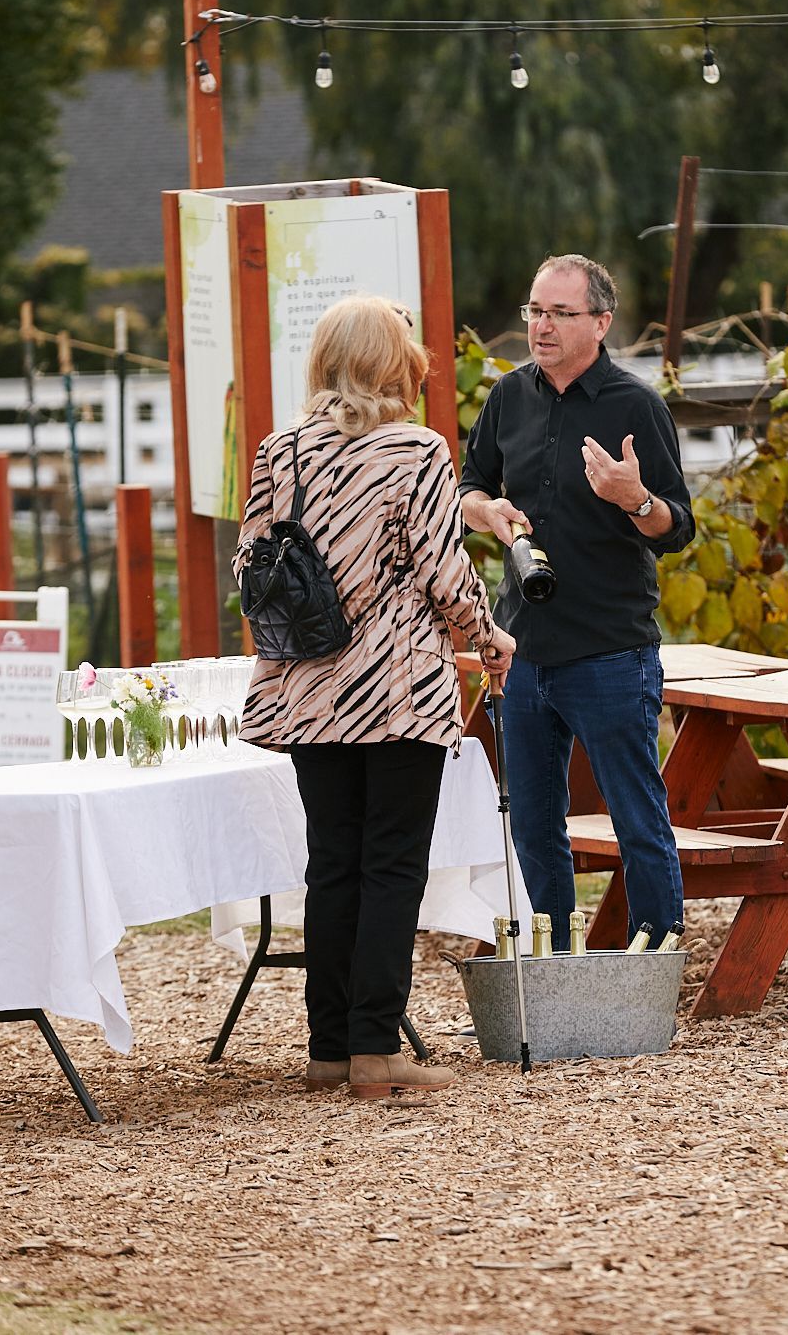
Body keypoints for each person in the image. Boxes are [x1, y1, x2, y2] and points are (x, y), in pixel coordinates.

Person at [234, 297, 515, 1100]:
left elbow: (249, 566)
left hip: (309, 688)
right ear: (395, 362)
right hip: (395, 689)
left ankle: (328, 1047)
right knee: (392, 866)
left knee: (334, 864)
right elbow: (442, 572)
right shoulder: (418, 452)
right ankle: (375, 1051)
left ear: (324, 361)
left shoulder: (279, 451)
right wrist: (487, 634)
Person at [460, 254, 695, 951]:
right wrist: (484, 512)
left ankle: (657, 956)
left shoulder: (635, 406)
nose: (542, 325)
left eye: (561, 313)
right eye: (535, 310)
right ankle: (554, 958)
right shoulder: (508, 397)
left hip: (610, 649)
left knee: (634, 813)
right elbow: (469, 485)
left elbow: (676, 527)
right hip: (523, 646)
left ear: (601, 321)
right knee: (532, 820)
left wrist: (635, 499)